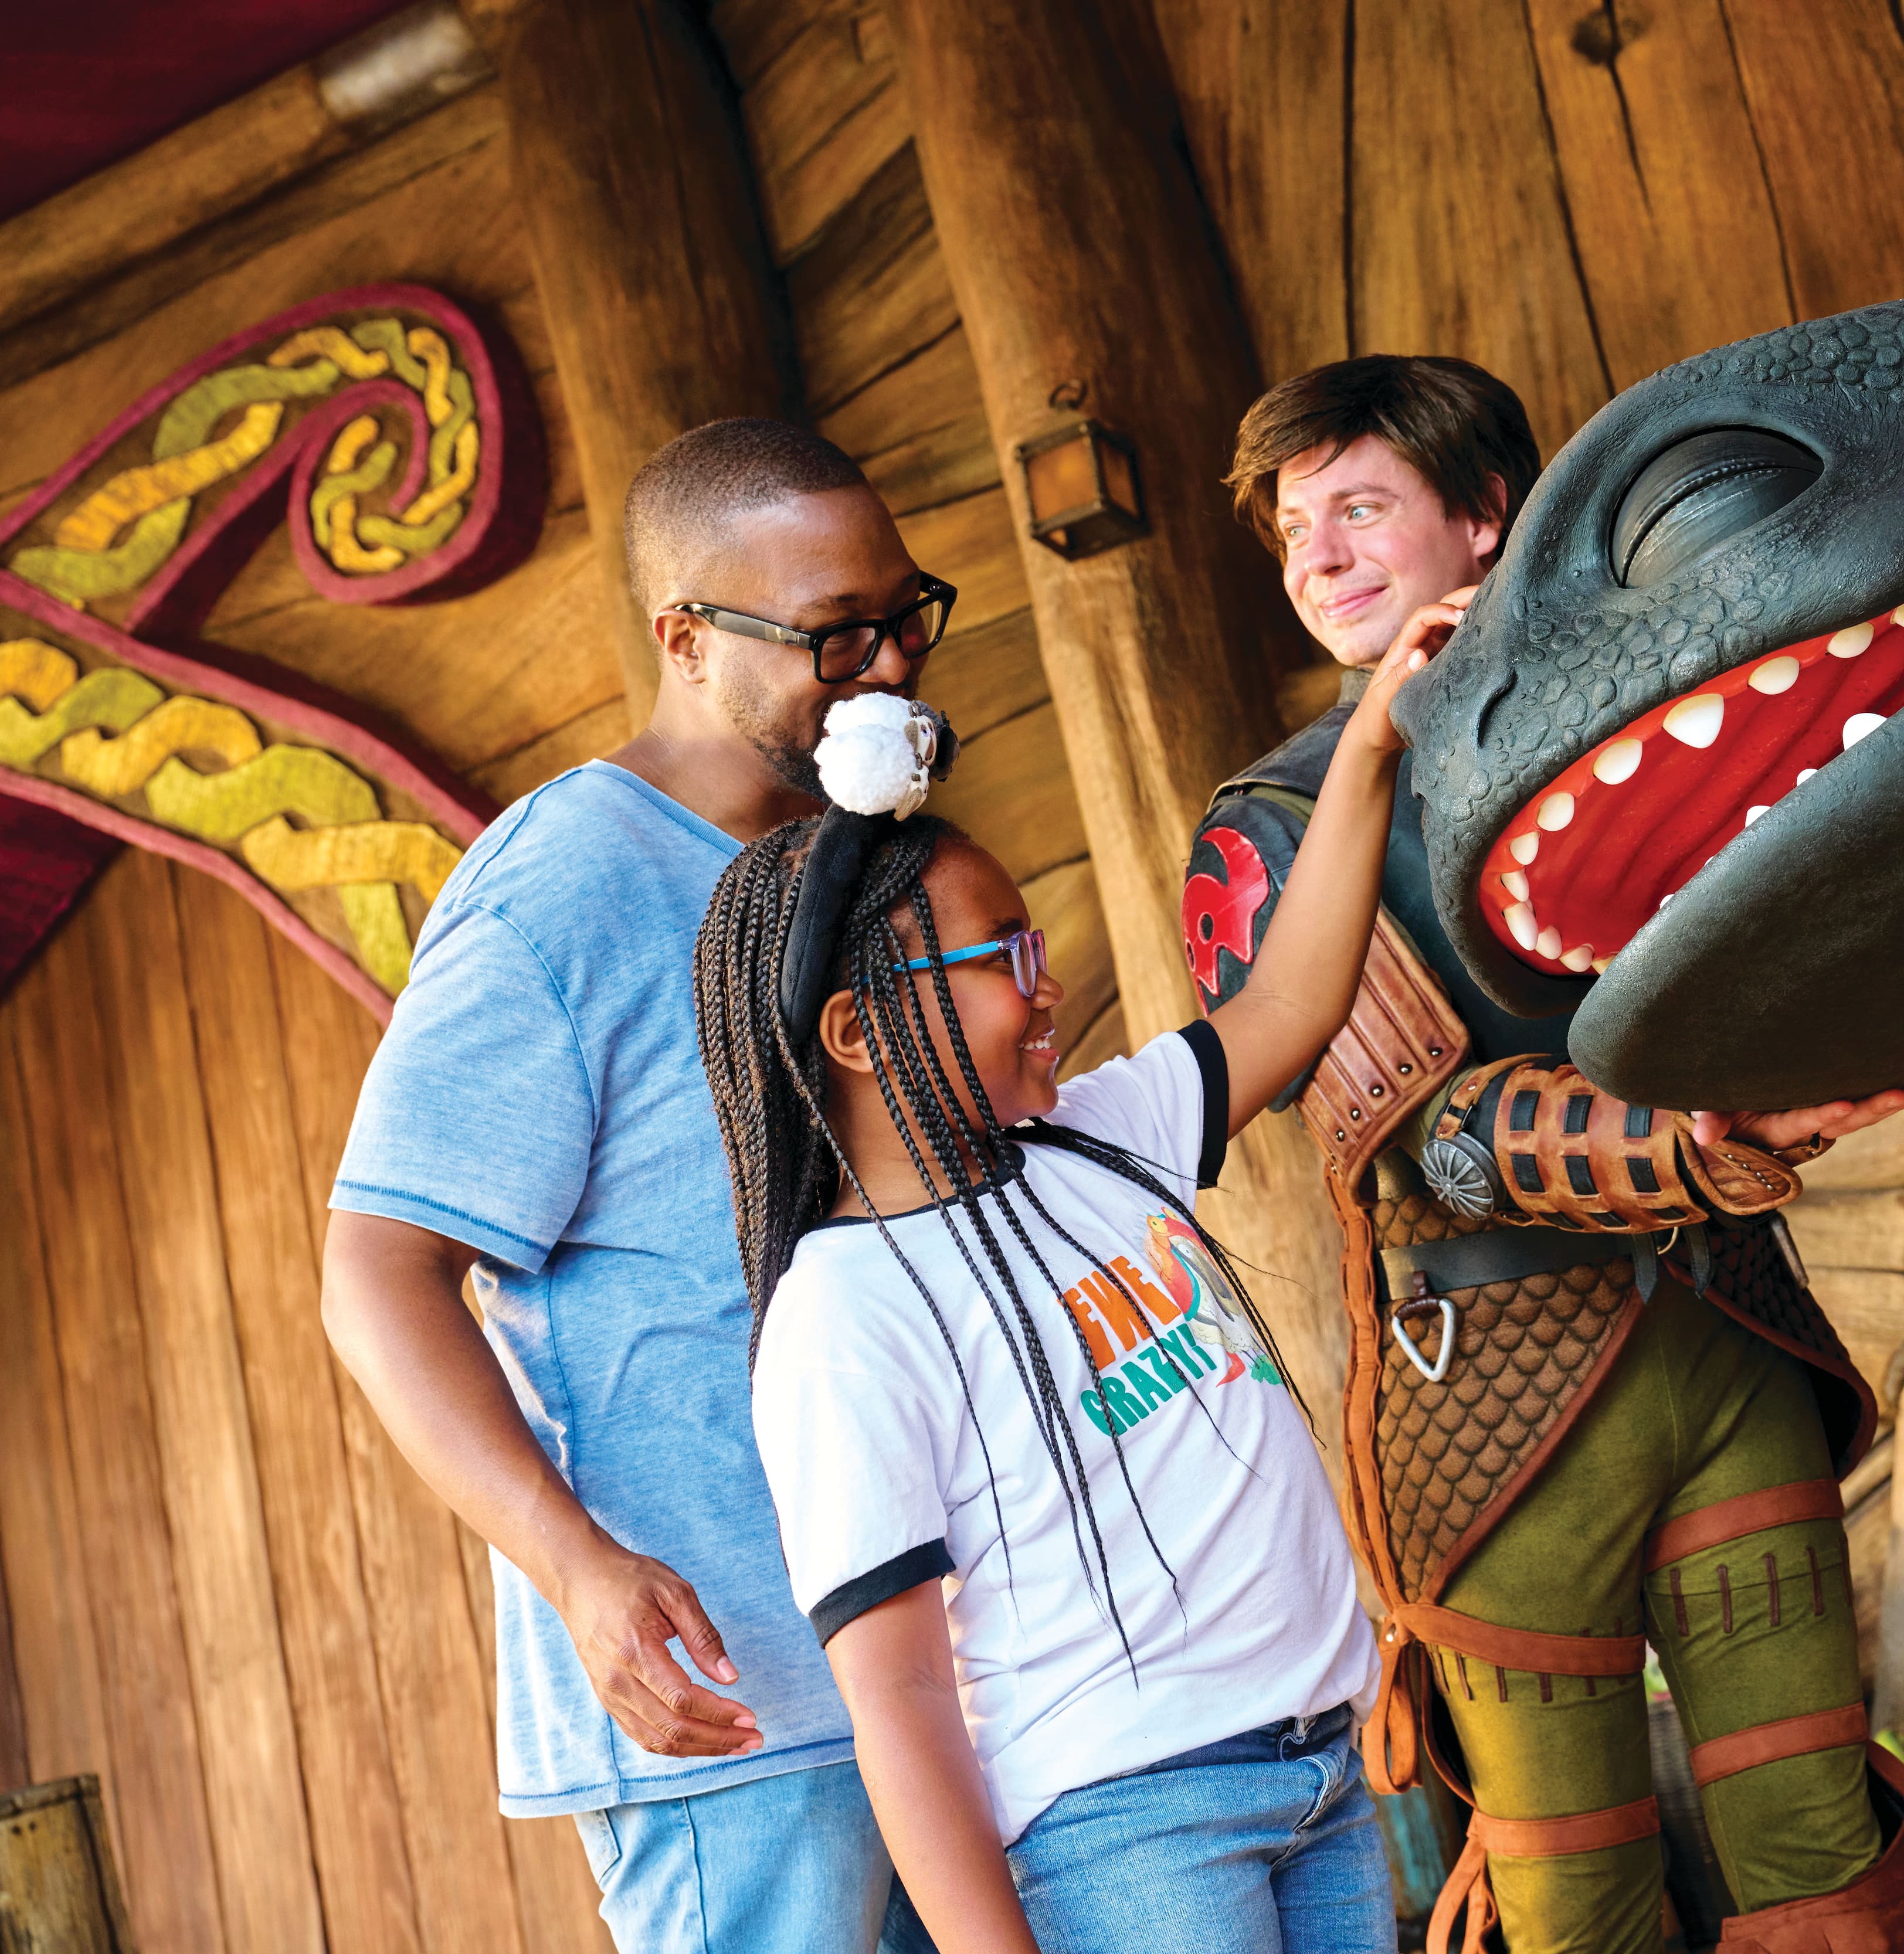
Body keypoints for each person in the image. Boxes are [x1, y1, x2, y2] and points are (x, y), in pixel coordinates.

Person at [1183, 355, 1904, 1954]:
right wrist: (1698, 1133)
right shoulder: (1268, 826)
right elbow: (1421, 1143)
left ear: (1487, 515)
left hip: (1726, 1331)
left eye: (1359, 508)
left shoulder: (1656, 723)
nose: (1319, 557)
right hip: (1492, 1407)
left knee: (1821, 1837)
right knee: (1571, 1890)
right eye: (1297, 531)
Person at [319, 420, 952, 1952]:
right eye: (833, 634)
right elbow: (375, 1273)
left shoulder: (869, 858)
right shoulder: (559, 886)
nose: (885, 667)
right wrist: (577, 1569)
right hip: (740, 1699)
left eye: (905, 615)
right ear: (685, 638)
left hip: (945, 1661)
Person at [701, 651, 1426, 1952]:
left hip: (1321, 1765)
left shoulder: (1100, 1136)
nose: (1045, 986)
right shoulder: (842, 1316)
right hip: (1129, 1830)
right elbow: (903, 1695)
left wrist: (1370, 742)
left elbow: (1293, 996)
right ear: (859, 1033)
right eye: (1005, 956)